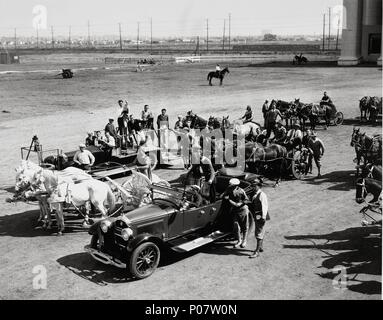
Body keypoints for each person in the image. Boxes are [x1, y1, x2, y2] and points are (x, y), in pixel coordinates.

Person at [223, 178, 249, 248]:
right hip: (235, 210)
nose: (230, 186)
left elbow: (246, 200)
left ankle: (244, 240)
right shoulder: (229, 189)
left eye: (232, 185)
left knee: (245, 226)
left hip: (242, 209)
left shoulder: (241, 191)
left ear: (235, 185)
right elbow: (224, 195)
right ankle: (239, 240)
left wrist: (241, 203)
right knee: (236, 225)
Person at [249, 180, 269, 258]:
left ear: (259, 186)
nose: (253, 187)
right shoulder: (255, 194)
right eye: (253, 186)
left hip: (260, 216)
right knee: (261, 231)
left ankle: (256, 252)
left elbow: (265, 206)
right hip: (257, 215)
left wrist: (263, 217)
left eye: (255, 186)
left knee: (258, 233)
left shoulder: (262, 195)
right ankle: (260, 247)